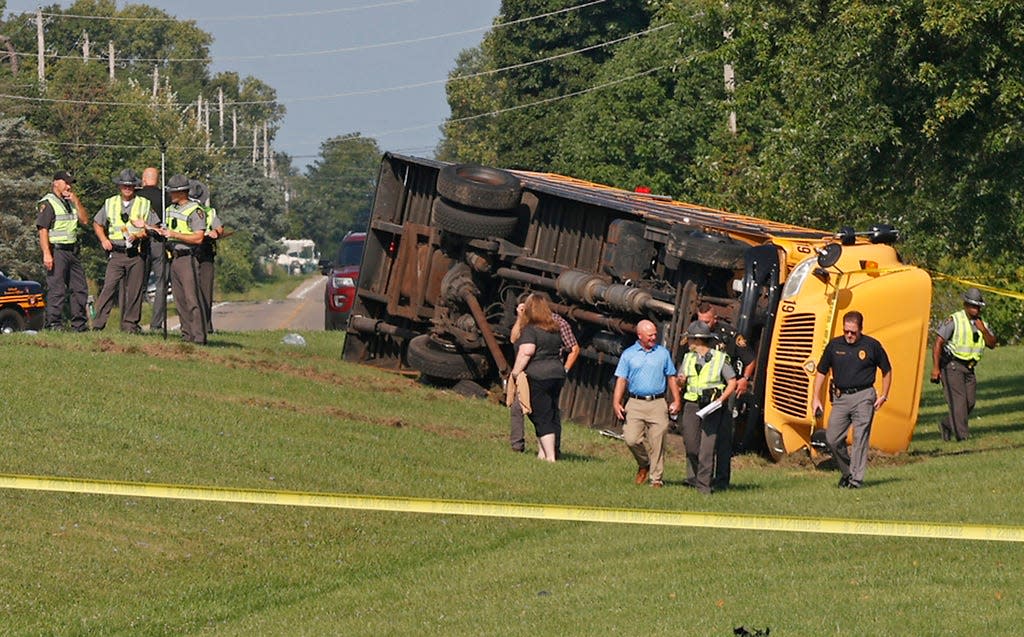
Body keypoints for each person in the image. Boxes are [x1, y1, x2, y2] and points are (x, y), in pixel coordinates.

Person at [812, 311, 892, 489]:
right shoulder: (834, 346)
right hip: (841, 398)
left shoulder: (872, 346)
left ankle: (856, 480)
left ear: (861, 329)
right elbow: (821, 371)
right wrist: (815, 398)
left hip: (864, 396)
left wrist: (884, 395)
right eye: (846, 331)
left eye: (853, 332)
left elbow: (887, 370)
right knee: (832, 438)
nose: (849, 335)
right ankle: (848, 472)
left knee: (859, 437)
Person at [612, 320, 681, 488]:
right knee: (631, 439)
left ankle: (656, 479)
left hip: (657, 402)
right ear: (640, 335)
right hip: (635, 402)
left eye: (655, 334)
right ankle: (644, 464)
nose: (654, 337)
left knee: (658, 440)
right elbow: (621, 380)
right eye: (650, 335)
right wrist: (616, 402)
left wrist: (676, 400)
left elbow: (671, 377)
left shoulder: (663, 353)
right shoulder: (628, 354)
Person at [508, 297, 580, 454]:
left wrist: (515, 373)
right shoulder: (528, 323)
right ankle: (526, 447)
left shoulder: (556, 323)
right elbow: (514, 338)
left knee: (544, 413)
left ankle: (551, 452)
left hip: (539, 375)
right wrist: (520, 318)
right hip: (546, 373)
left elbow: (574, 348)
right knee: (523, 409)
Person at [696, 302, 755, 489]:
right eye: (700, 321)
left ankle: (721, 481)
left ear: (715, 319)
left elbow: (750, 360)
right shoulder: (695, 333)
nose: (703, 325)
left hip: (725, 391)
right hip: (700, 392)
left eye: (707, 321)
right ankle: (701, 478)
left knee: (722, 437)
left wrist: (744, 379)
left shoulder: (730, 335)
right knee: (701, 437)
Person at [677, 320, 737, 494]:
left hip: (712, 406)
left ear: (697, 340)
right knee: (691, 445)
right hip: (692, 404)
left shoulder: (719, 358)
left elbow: (731, 382)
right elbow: (682, 380)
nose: (687, 343)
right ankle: (697, 478)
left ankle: (703, 487)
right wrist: (681, 382)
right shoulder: (688, 358)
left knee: (707, 448)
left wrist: (721, 400)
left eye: (689, 340)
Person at [931, 287, 997, 441]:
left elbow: (992, 343)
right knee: (959, 402)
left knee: (969, 402)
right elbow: (938, 343)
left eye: (978, 306)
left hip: (969, 368)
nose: (975, 309)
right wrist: (935, 368)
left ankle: (947, 424)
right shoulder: (954, 320)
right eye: (972, 305)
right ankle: (963, 437)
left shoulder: (982, 324)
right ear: (965, 305)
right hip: (952, 366)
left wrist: (983, 331)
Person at [91, 169, 150, 333]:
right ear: (119, 186)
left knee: (134, 291)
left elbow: (151, 228)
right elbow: (97, 223)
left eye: (130, 186)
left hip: (136, 253)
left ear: (135, 187)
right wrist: (103, 239)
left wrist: (138, 235)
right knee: (108, 287)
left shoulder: (144, 203)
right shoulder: (110, 203)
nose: (127, 188)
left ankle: (130, 325)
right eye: (124, 185)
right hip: (116, 253)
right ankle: (98, 324)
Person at [36, 170, 89, 331]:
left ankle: (79, 325)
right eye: (66, 182)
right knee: (57, 289)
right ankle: (54, 324)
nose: (69, 186)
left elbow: (85, 221)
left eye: (70, 183)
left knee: (80, 288)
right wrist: (46, 254)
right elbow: (42, 229)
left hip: (72, 251)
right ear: (56, 183)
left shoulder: (72, 202)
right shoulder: (48, 202)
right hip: (56, 251)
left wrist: (77, 201)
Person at [158, 174, 207, 344]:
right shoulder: (170, 210)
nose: (170, 195)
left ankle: (199, 336)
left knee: (191, 298)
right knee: (179, 299)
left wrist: (174, 235)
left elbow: (198, 238)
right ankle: (187, 334)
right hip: (174, 258)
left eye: (173, 192)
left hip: (188, 258)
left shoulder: (195, 211)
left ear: (182, 193)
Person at [188, 180, 224, 334]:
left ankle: (207, 325)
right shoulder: (181, 211)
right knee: (189, 291)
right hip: (188, 253)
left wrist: (216, 232)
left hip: (206, 253)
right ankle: (190, 326)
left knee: (205, 291)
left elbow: (218, 227)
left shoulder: (209, 212)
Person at [137, 167, 170, 332]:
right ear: (158, 180)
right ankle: (156, 323)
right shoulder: (165, 197)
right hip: (159, 242)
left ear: (143, 179)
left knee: (136, 282)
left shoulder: (136, 196)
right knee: (161, 282)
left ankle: (131, 320)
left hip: (140, 240)